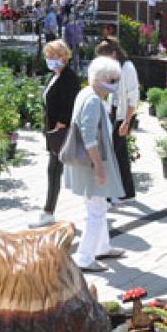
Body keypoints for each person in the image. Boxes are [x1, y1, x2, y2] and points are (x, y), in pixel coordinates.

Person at [64, 55, 127, 272]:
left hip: (89, 163)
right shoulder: (92, 100)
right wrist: (99, 167)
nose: (115, 83)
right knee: (96, 210)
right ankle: (83, 257)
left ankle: (102, 247)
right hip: (91, 164)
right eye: (112, 79)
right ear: (99, 78)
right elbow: (88, 137)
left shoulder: (89, 93)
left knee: (98, 206)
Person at [30, 40, 81, 229]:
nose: (48, 60)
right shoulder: (54, 75)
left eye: (52, 56)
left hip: (61, 133)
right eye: (47, 56)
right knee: (56, 171)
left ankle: (48, 213)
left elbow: (71, 103)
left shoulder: (69, 77)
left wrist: (61, 123)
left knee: (53, 171)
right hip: (53, 132)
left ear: (63, 57)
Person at [95, 37, 140, 200]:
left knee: (111, 153)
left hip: (123, 116)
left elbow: (133, 98)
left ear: (114, 54)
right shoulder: (114, 68)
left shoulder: (128, 68)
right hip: (114, 113)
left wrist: (126, 122)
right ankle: (128, 192)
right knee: (120, 154)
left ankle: (110, 193)